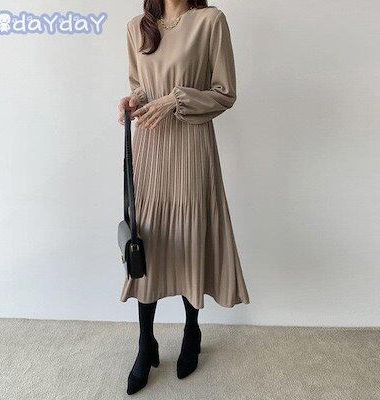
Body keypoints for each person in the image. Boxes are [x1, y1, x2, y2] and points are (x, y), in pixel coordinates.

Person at [117, 0, 250, 395]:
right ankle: (146, 343)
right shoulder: (137, 26)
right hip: (149, 147)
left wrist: (175, 100)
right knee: (146, 241)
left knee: (191, 236)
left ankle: (193, 329)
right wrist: (133, 101)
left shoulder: (210, 22)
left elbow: (224, 94)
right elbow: (140, 86)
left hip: (192, 146)